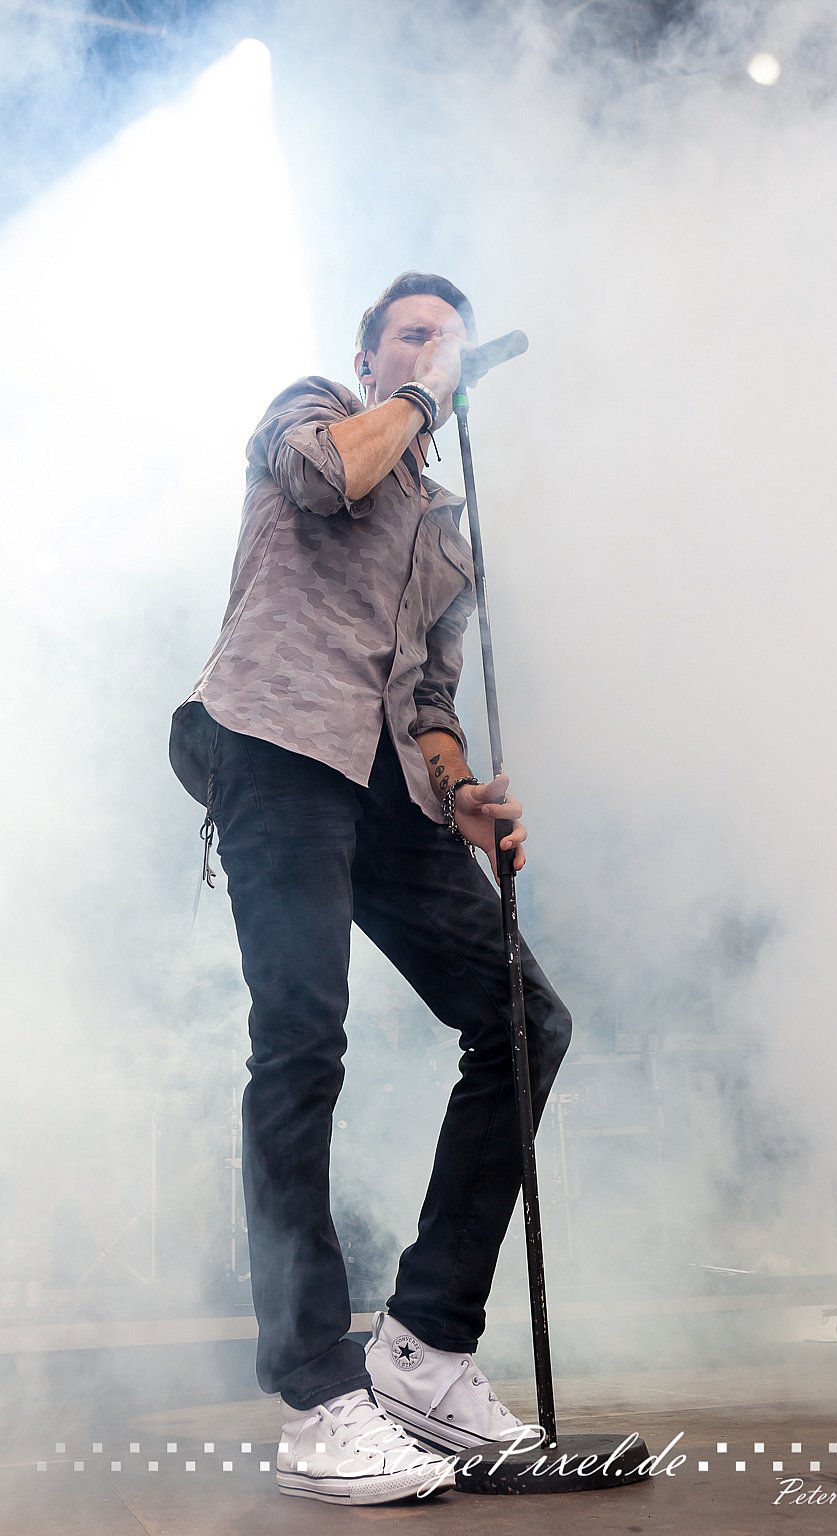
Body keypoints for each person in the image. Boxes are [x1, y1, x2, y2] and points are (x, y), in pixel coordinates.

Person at [168, 272, 572, 1505]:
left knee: (524, 1018)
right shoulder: (317, 409)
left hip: (388, 789)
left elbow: (428, 700)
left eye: (451, 341)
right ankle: (313, 1392)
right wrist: (419, 394)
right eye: (413, 332)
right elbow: (326, 478)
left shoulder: (449, 528)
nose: (435, 349)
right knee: (302, 1041)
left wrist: (461, 795)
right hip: (277, 747)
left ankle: (425, 1348)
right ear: (369, 355)